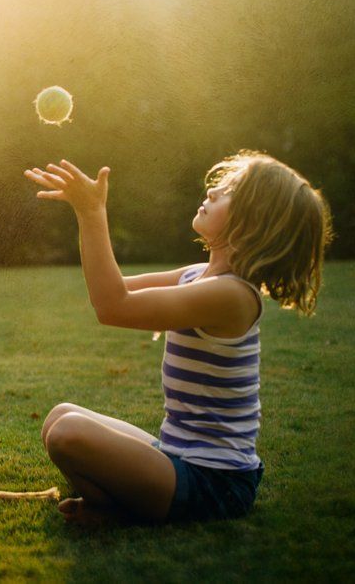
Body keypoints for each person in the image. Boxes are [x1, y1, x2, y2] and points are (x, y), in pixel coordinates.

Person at [23, 151, 332, 525]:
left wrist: (91, 213)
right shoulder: (200, 275)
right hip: (176, 456)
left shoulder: (232, 296)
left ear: (254, 223)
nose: (214, 190)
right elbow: (112, 293)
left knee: (67, 434)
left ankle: (122, 512)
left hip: (215, 483)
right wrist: (87, 213)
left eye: (230, 190)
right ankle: (123, 506)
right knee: (59, 417)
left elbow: (113, 306)